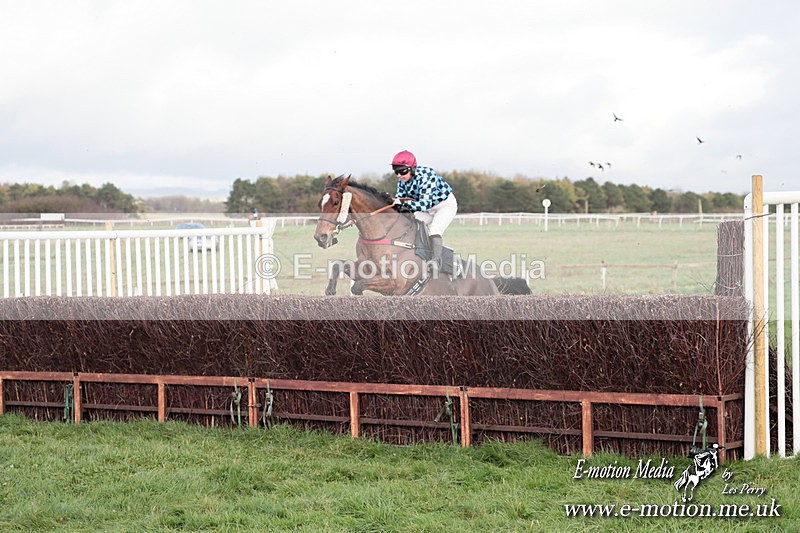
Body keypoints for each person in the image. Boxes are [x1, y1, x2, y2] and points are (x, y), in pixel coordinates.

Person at [391, 150, 457, 272]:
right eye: (396, 171)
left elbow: (424, 204)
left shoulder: (427, 175)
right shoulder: (402, 181)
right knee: (412, 222)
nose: (399, 175)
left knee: (434, 230)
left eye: (402, 171)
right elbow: (399, 200)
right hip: (428, 210)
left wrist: (404, 203)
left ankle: (436, 262)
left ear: (412, 168)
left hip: (444, 206)